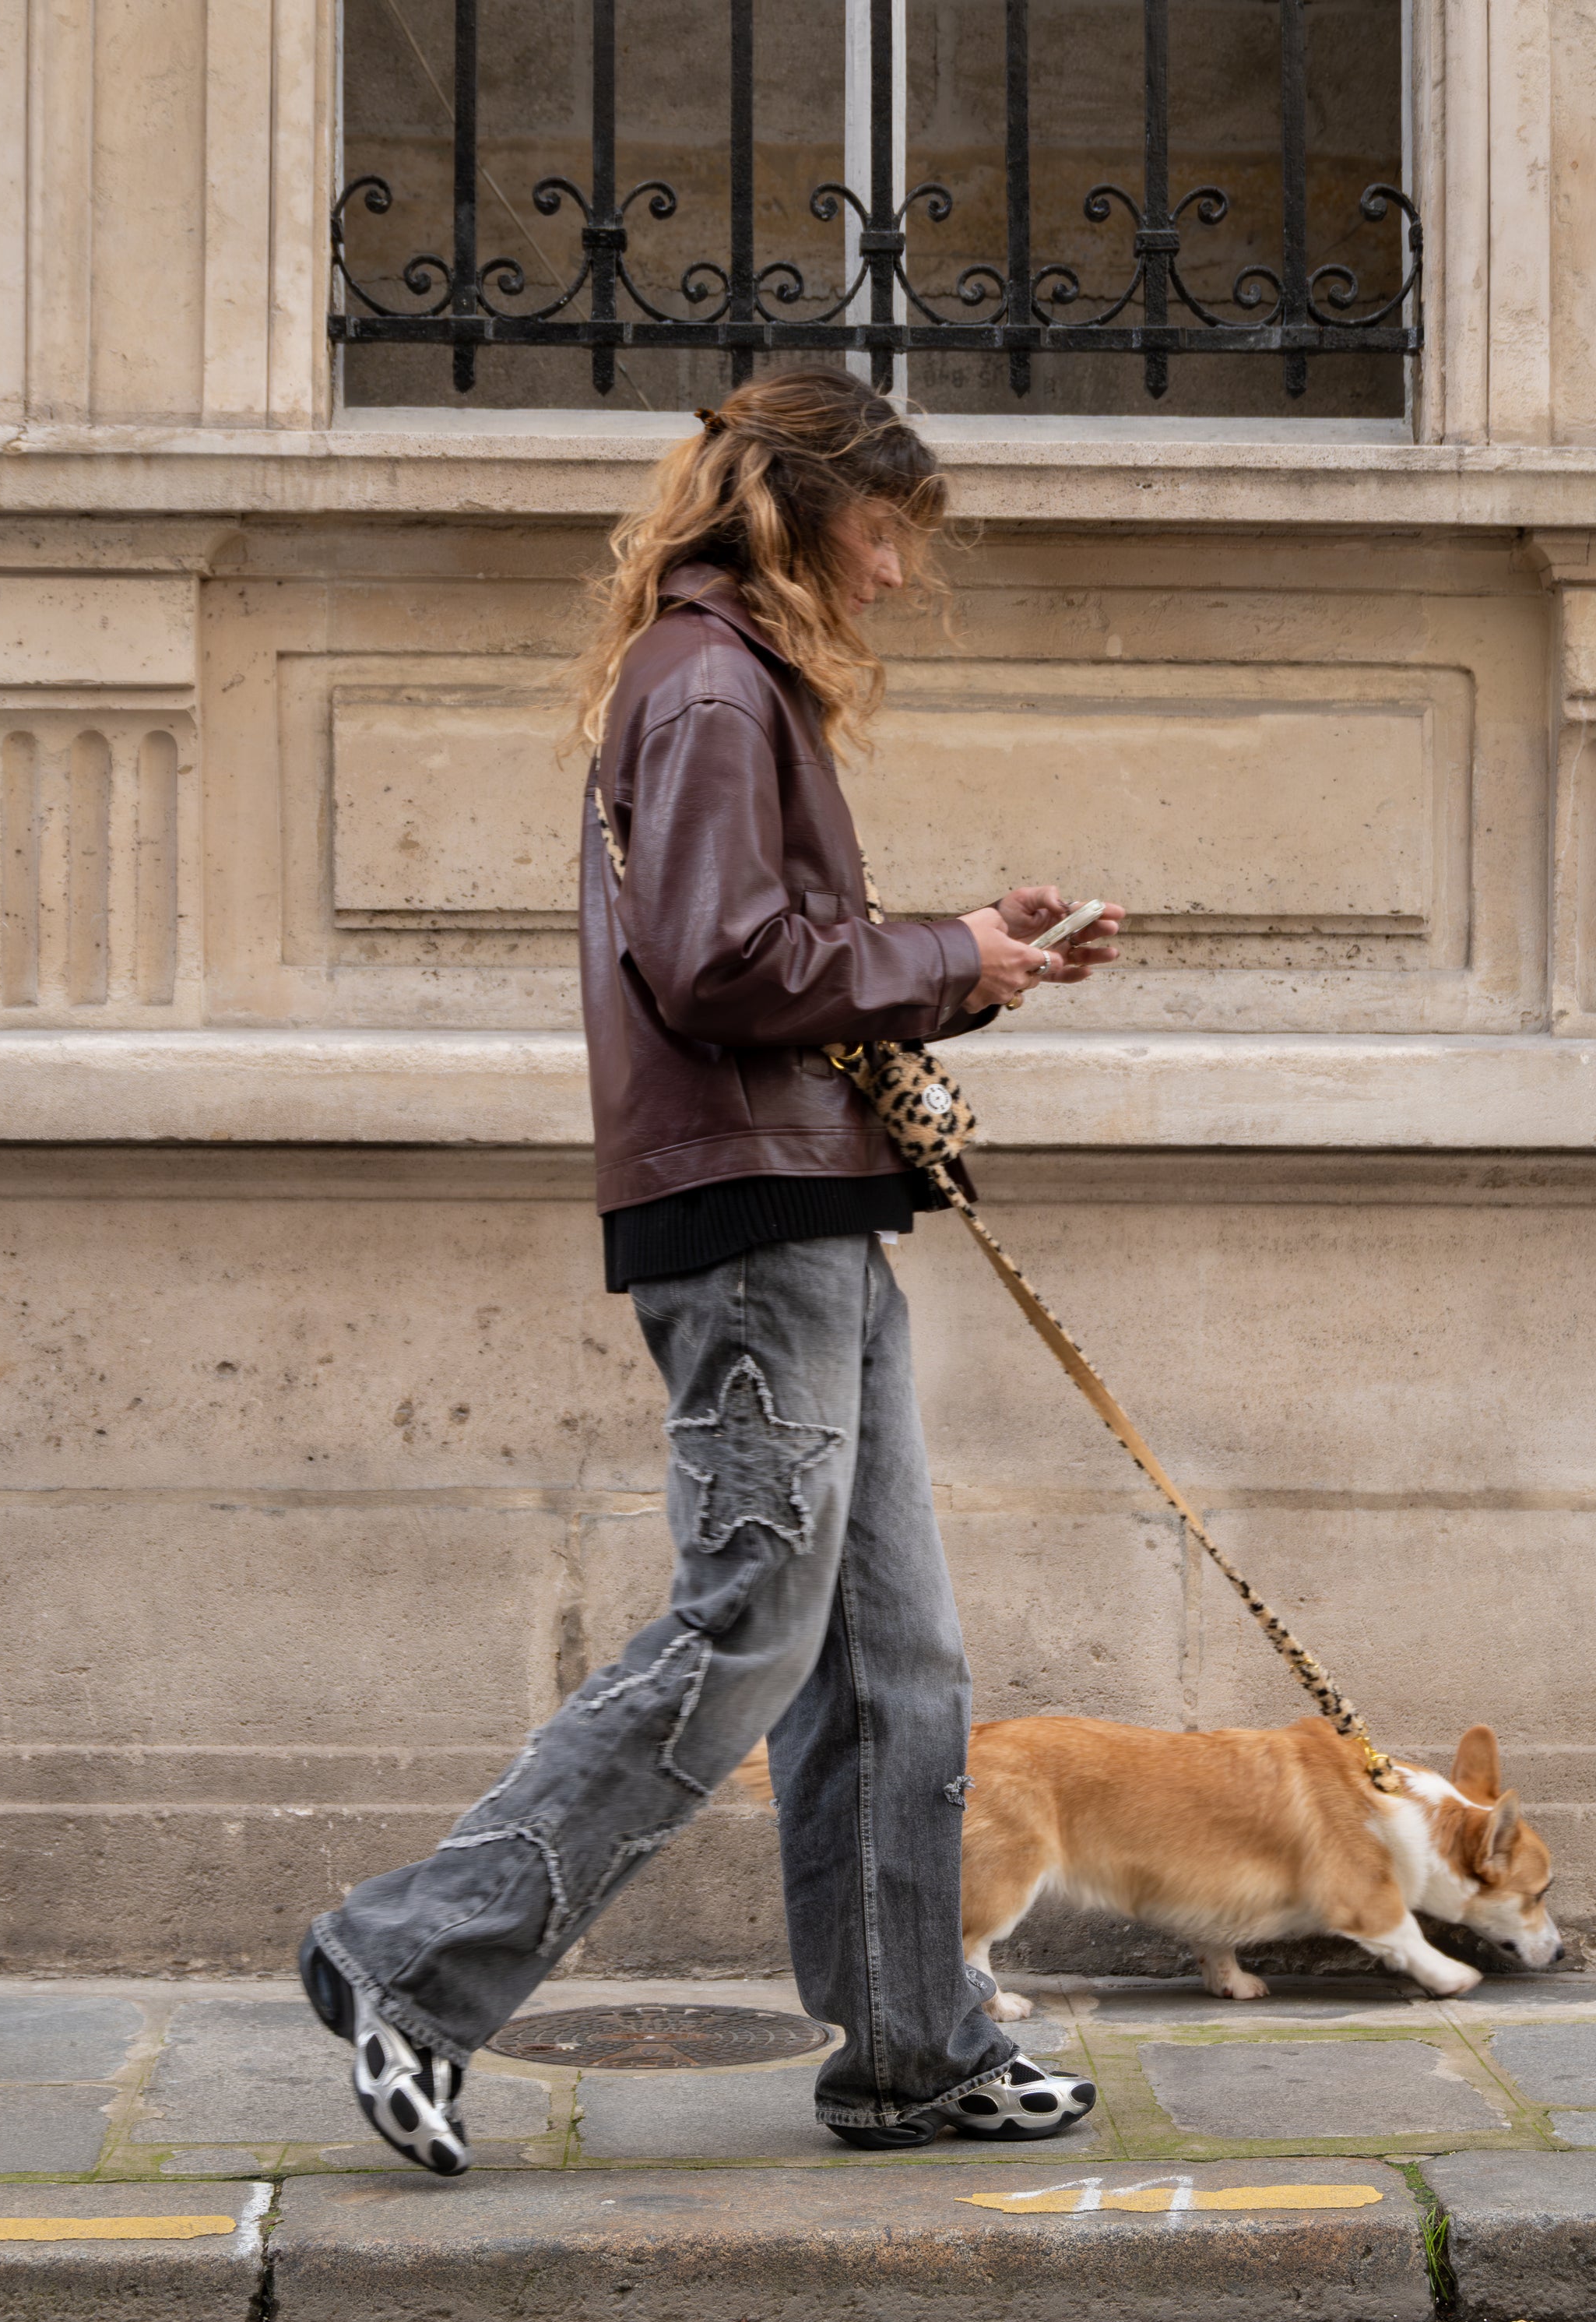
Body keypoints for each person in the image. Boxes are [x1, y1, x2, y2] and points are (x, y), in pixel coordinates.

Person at [299, 369, 1125, 2170]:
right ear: (814, 515)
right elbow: (721, 961)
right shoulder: (706, 684)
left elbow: (770, 951)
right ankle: (411, 1962)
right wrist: (933, 952)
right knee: (752, 1623)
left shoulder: (723, 683)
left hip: (802, 1203)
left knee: (896, 1655)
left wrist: (972, 958)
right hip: (749, 1217)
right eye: (890, 529)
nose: (900, 575)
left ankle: (914, 2048)